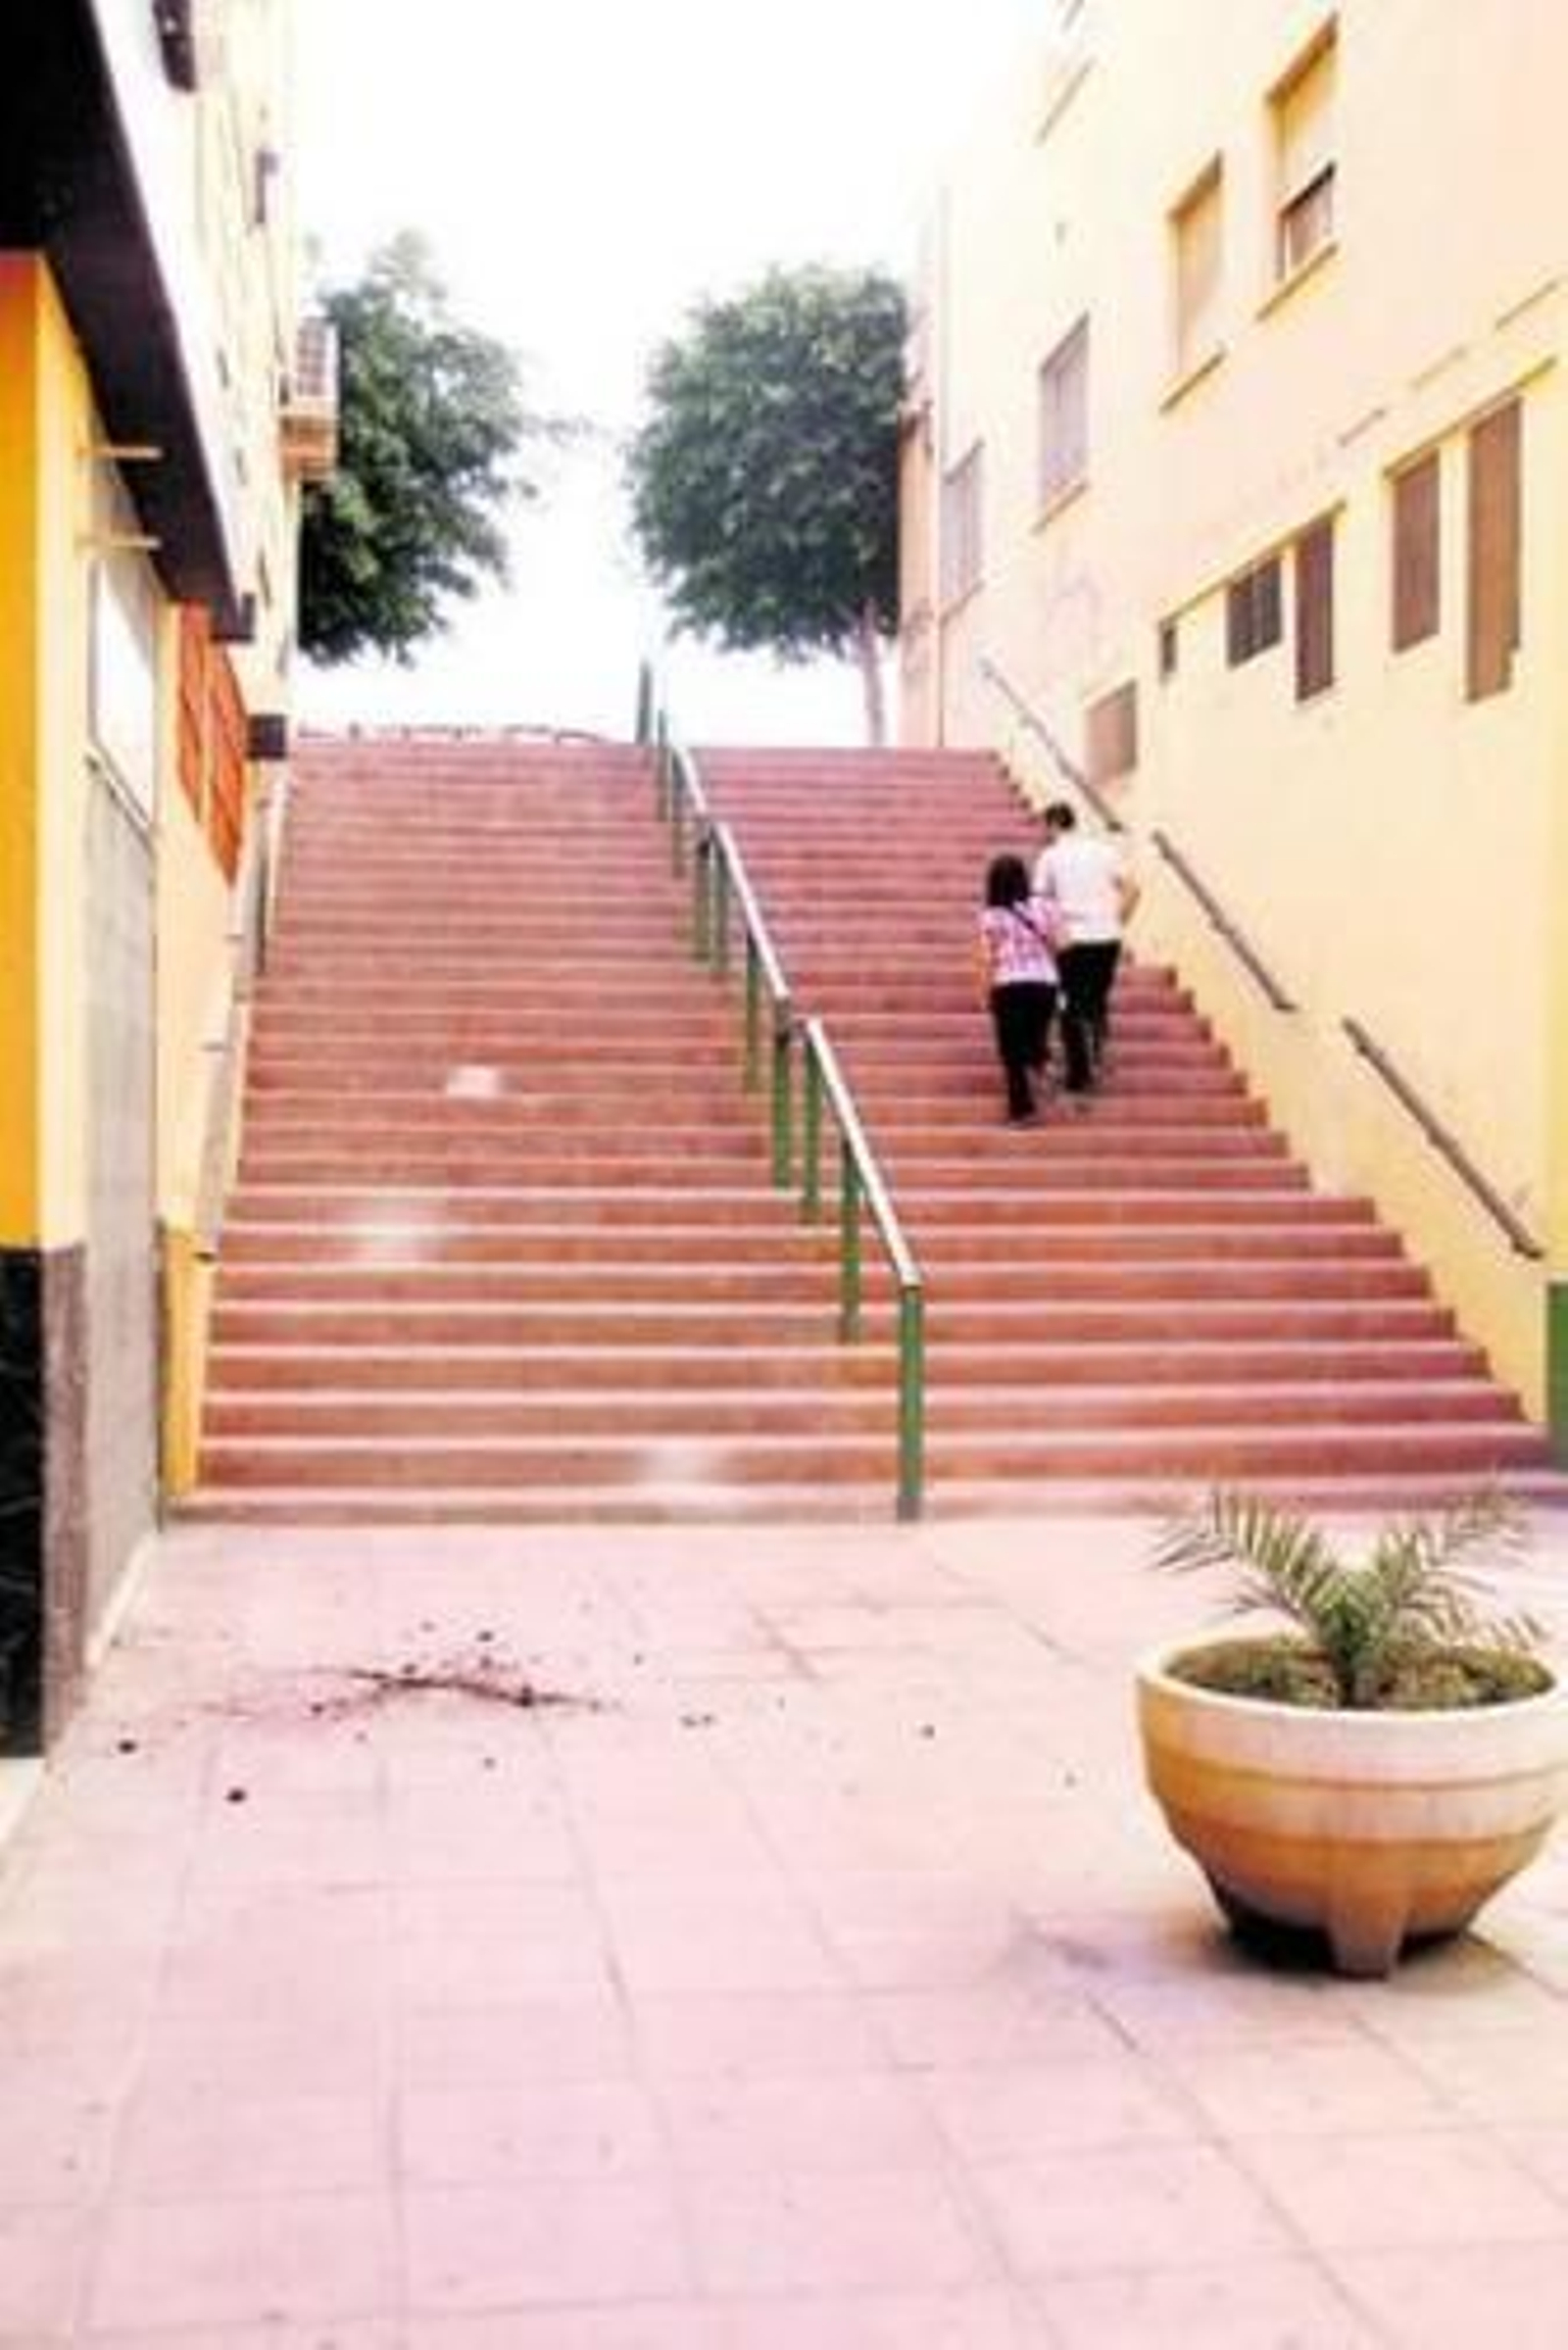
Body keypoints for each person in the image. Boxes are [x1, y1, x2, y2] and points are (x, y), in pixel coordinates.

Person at [1033, 801, 1139, 1102]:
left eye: (1046, 827)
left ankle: (1078, 1076)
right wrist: (1116, 921)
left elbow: (1039, 901)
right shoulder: (1104, 851)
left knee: (1068, 1004)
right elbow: (1133, 889)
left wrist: (1049, 937)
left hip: (1073, 939)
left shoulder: (1051, 856)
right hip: (1107, 938)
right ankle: (1096, 1049)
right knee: (1095, 998)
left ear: (1052, 824)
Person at [976, 851, 1060, 1125]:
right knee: (1034, 1036)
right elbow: (1065, 943)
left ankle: (1022, 1110)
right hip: (1044, 983)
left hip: (1009, 985)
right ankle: (1041, 1060)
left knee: (1011, 1052)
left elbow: (987, 958)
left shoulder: (990, 916)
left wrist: (984, 992)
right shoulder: (1045, 907)